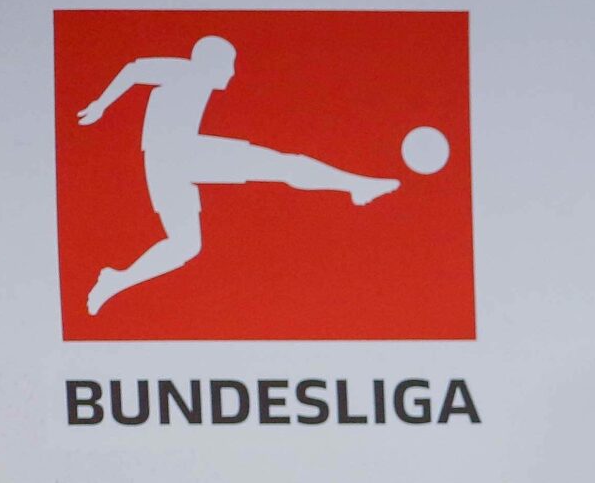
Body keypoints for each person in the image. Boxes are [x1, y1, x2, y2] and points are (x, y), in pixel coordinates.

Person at [76, 35, 399, 315]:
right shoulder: (183, 70)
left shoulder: (191, 77)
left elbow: (134, 72)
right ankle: (355, 186)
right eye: (228, 64)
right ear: (211, 63)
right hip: (183, 152)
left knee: (186, 245)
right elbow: (134, 69)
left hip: (163, 163)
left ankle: (117, 280)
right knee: (282, 166)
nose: (232, 72)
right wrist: (100, 104)